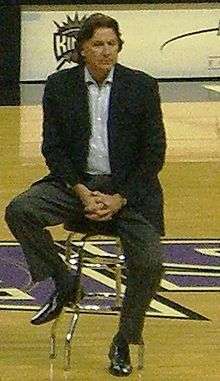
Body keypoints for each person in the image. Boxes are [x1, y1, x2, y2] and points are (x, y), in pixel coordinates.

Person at [5, 13, 166, 377]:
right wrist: (80, 191)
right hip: (77, 185)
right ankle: (65, 281)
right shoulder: (59, 86)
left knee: (150, 264)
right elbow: (54, 149)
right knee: (20, 210)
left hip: (130, 193)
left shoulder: (142, 86)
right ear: (82, 48)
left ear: (119, 46)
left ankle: (124, 339)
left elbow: (153, 154)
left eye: (112, 43)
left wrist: (119, 198)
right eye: (98, 44)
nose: (106, 51)